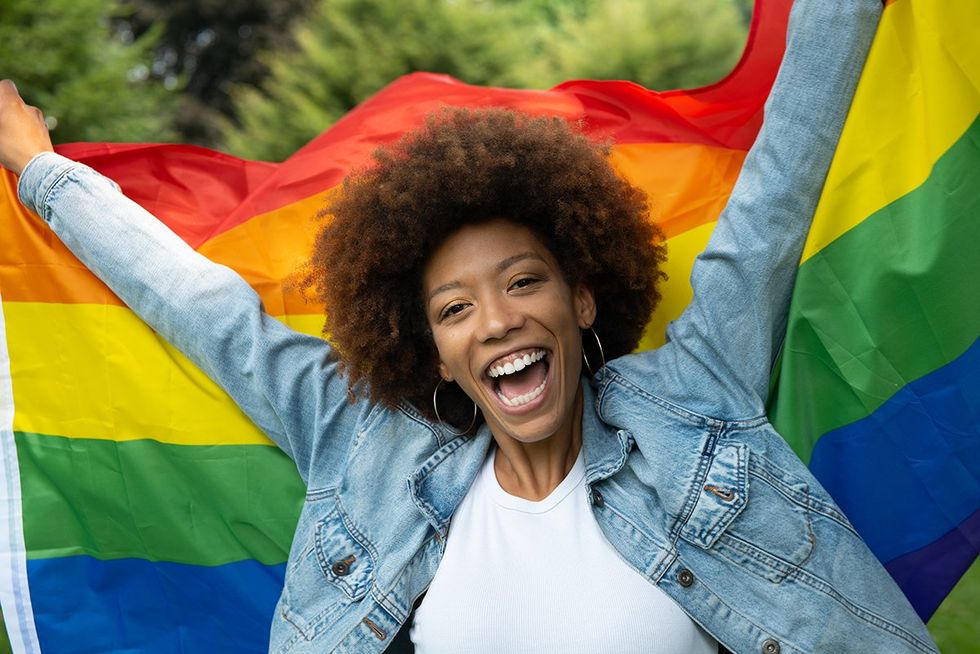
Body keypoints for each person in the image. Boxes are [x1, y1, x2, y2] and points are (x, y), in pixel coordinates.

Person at [0, 0, 940, 652]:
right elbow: (205, 311)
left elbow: (778, 190)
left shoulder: (692, 400)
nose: (494, 322)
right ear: (433, 351)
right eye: (454, 310)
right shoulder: (362, 448)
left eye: (523, 282)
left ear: (582, 301)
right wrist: (40, 171)